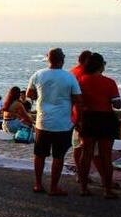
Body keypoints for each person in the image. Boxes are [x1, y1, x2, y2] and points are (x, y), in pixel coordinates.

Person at [26, 48, 81, 196]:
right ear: (62, 59)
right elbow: (78, 100)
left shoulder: (38, 74)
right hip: (62, 124)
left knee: (39, 155)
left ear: (48, 58)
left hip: (43, 122)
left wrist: (41, 97)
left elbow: (30, 94)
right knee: (58, 156)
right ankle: (54, 187)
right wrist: (78, 119)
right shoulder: (69, 77)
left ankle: (38, 184)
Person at [77, 53, 120, 198]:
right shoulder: (109, 82)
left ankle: (83, 188)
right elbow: (117, 104)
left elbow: (78, 102)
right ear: (101, 65)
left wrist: (78, 120)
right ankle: (107, 190)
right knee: (105, 156)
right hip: (106, 119)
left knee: (86, 154)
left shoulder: (81, 81)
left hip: (88, 118)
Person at [69, 50, 92, 173]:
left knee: (77, 146)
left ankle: (79, 171)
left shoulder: (71, 72)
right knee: (86, 147)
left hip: (73, 113)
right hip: (84, 114)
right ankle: (83, 174)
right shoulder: (85, 73)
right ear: (87, 60)